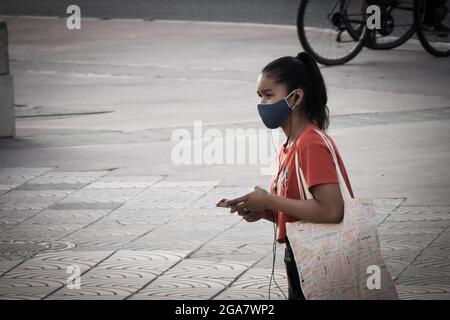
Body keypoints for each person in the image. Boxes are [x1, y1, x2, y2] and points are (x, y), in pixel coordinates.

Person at [222, 52, 355, 300]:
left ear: (296, 97)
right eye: (259, 96)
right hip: (302, 260)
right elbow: (302, 210)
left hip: (320, 264)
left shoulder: (310, 143)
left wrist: (270, 200)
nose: (262, 103)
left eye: (269, 95)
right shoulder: (289, 145)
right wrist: (263, 211)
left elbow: (331, 211)